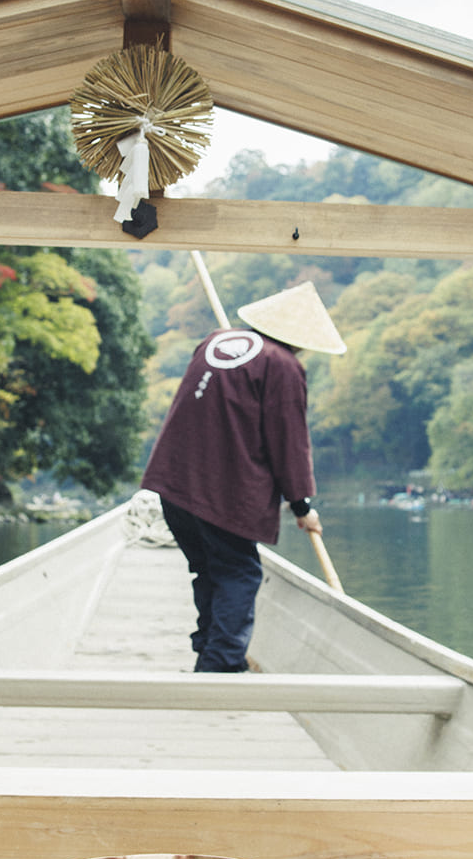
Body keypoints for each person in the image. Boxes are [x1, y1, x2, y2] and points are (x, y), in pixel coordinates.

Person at [143, 280, 346, 672]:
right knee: (238, 573)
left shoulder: (215, 342)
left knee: (208, 569)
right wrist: (301, 503)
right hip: (222, 493)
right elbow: (288, 438)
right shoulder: (283, 366)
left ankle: (210, 649)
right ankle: (220, 665)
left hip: (173, 483)